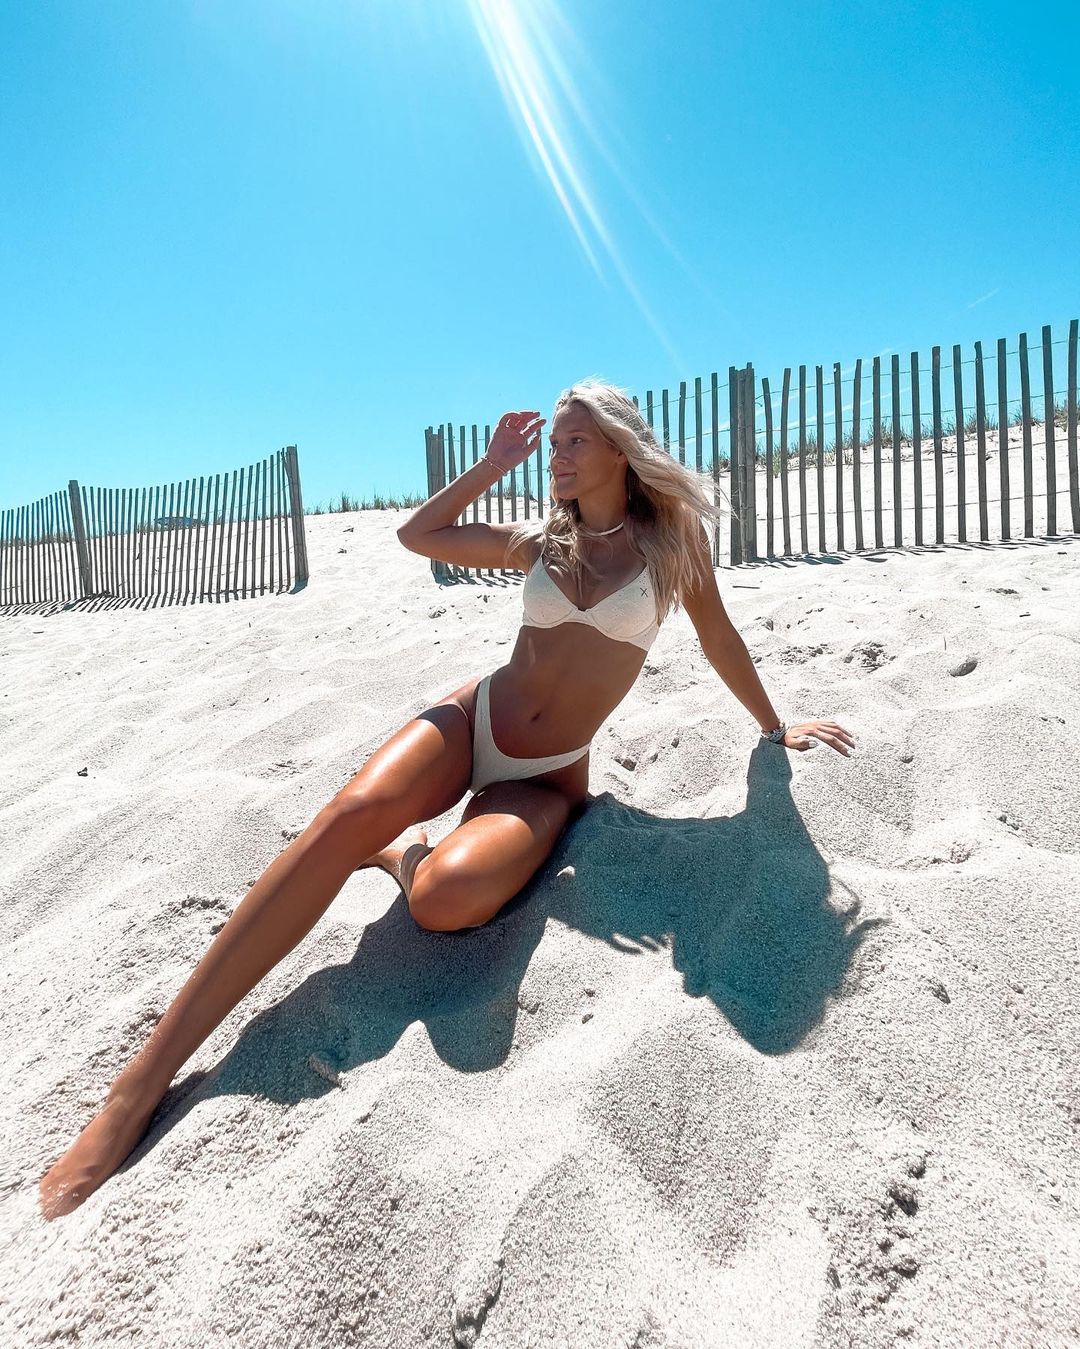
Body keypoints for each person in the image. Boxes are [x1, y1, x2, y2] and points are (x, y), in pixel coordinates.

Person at [38, 379, 855, 1219]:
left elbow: (719, 637)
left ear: (620, 448)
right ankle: (141, 1082)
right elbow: (417, 535)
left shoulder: (672, 548)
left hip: (545, 777)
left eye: (574, 441)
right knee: (340, 819)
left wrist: (774, 727)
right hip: (474, 720)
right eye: (553, 443)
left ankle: (402, 856)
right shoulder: (542, 541)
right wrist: (491, 464)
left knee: (442, 898)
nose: (557, 456)